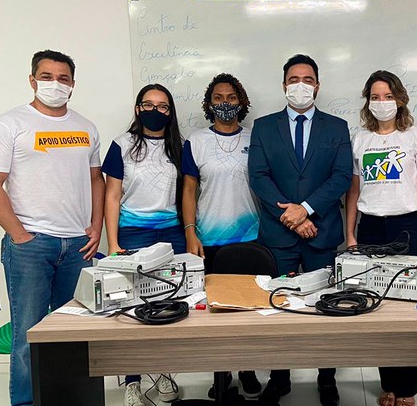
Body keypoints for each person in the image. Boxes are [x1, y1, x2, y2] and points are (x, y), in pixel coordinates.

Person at [0, 50, 104, 406]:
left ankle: (73, 399)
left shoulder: (86, 127)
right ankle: (26, 403)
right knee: (28, 335)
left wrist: (95, 227)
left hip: (79, 246)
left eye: (63, 78)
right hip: (31, 247)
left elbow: (96, 180)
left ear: (73, 85)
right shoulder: (9, 124)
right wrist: (20, 236)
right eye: (46, 77)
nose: (55, 84)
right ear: (33, 80)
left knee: (77, 333)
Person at [248, 54, 351, 406]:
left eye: (308, 79)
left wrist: (305, 210)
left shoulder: (336, 127)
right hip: (278, 236)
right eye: (294, 79)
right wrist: (289, 216)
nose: (301, 85)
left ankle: (327, 377)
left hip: (322, 233)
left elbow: (340, 177)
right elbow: (258, 176)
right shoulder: (263, 127)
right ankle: (279, 378)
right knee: (279, 308)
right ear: (283, 85)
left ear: (318, 85)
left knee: (327, 307)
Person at [345, 70, 417, 406]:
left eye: (388, 96)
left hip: (408, 225)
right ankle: (388, 382)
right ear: (367, 103)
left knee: (407, 306)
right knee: (378, 304)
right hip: (370, 226)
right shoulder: (360, 139)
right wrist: (350, 234)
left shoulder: (416, 136)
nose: (381, 103)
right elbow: (353, 191)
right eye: (375, 97)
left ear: (399, 99)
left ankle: (408, 390)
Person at [101, 84, 185, 406]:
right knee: (131, 307)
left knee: (168, 303)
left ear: (170, 112)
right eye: (148, 104)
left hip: (171, 234)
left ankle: (162, 370)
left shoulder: (180, 146)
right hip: (132, 234)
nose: (155, 110)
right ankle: (132, 381)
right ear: (138, 108)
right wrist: (114, 243)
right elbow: (112, 195)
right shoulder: (121, 145)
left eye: (163, 106)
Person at [181, 73, 262, 398]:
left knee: (248, 310)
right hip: (209, 237)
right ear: (209, 103)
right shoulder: (196, 141)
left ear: (241, 102)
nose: (225, 103)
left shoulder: (256, 139)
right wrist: (190, 232)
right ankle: (221, 373)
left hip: (251, 239)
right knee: (216, 312)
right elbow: (189, 189)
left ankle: (248, 368)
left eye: (231, 97)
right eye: (218, 98)